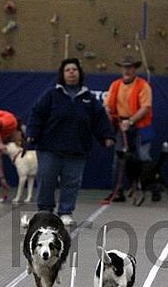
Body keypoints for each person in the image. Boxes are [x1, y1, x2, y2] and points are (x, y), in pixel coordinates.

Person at [26, 58, 115, 225]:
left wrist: (107, 136)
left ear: (80, 73)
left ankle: (65, 212)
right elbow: (37, 114)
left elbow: (99, 119)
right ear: (62, 74)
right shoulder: (51, 94)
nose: (72, 72)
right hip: (50, 148)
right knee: (46, 179)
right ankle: (45, 211)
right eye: (68, 70)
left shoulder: (88, 98)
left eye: (74, 69)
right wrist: (32, 133)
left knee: (72, 182)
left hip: (77, 148)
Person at [103, 55, 155, 202]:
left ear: (134, 69)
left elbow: (145, 108)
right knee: (119, 159)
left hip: (141, 126)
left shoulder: (143, 85)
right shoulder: (115, 85)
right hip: (121, 126)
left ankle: (152, 189)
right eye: (124, 67)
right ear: (121, 69)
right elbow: (107, 105)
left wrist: (131, 121)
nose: (127, 70)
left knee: (143, 158)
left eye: (130, 67)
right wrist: (108, 113)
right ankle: (117, 192)